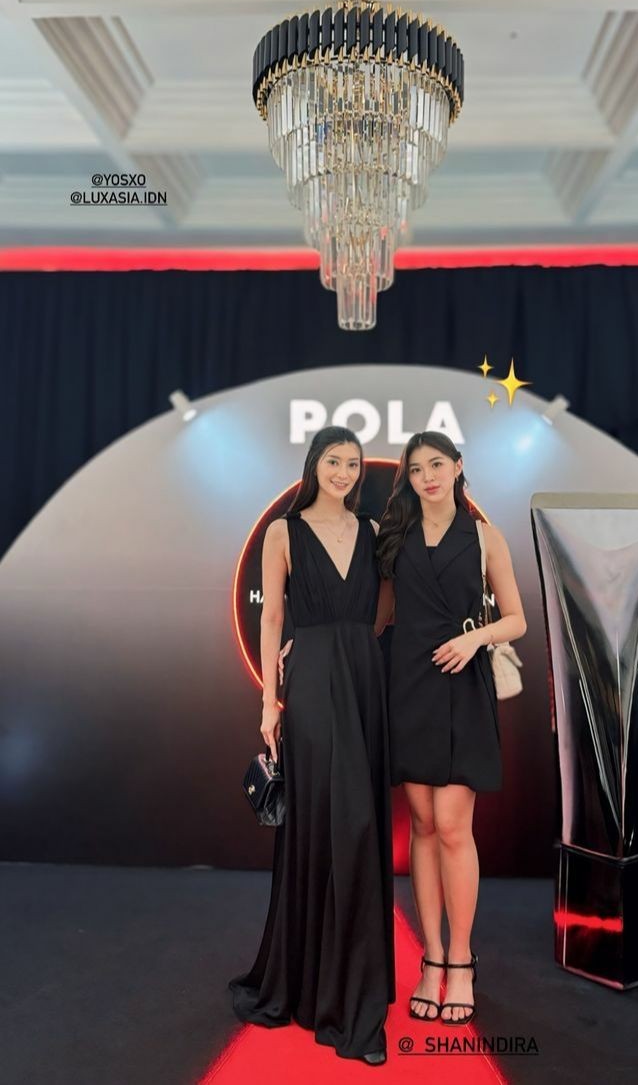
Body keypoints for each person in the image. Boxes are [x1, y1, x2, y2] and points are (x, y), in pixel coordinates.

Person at [228, 426, 395, 1066]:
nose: (345, 472)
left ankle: (351, 987)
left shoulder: (373, 531)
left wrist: (356, 641)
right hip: (312, 682)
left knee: (361, 825)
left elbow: (386, 608)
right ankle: (319, 987)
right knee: (329, 822)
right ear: (314, 464)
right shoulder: (283, 532)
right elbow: (271, 617)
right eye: (334, 461)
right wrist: (269, 701)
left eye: (353, 463)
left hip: (364, 678)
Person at [375, 431, 526, 1026]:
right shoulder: (396, 537)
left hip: (463, 686)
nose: (428, 477)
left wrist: (473, 639)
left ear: (458, 467)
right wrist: (304, 646)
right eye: (416, 470)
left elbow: (515, 620)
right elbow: (378, 617)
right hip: (408, 686)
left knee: (454, 826)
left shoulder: (485, 537)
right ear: (408, 479)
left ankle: (461, 961)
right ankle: (431, 958)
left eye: (437, 464)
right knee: (422, 825)